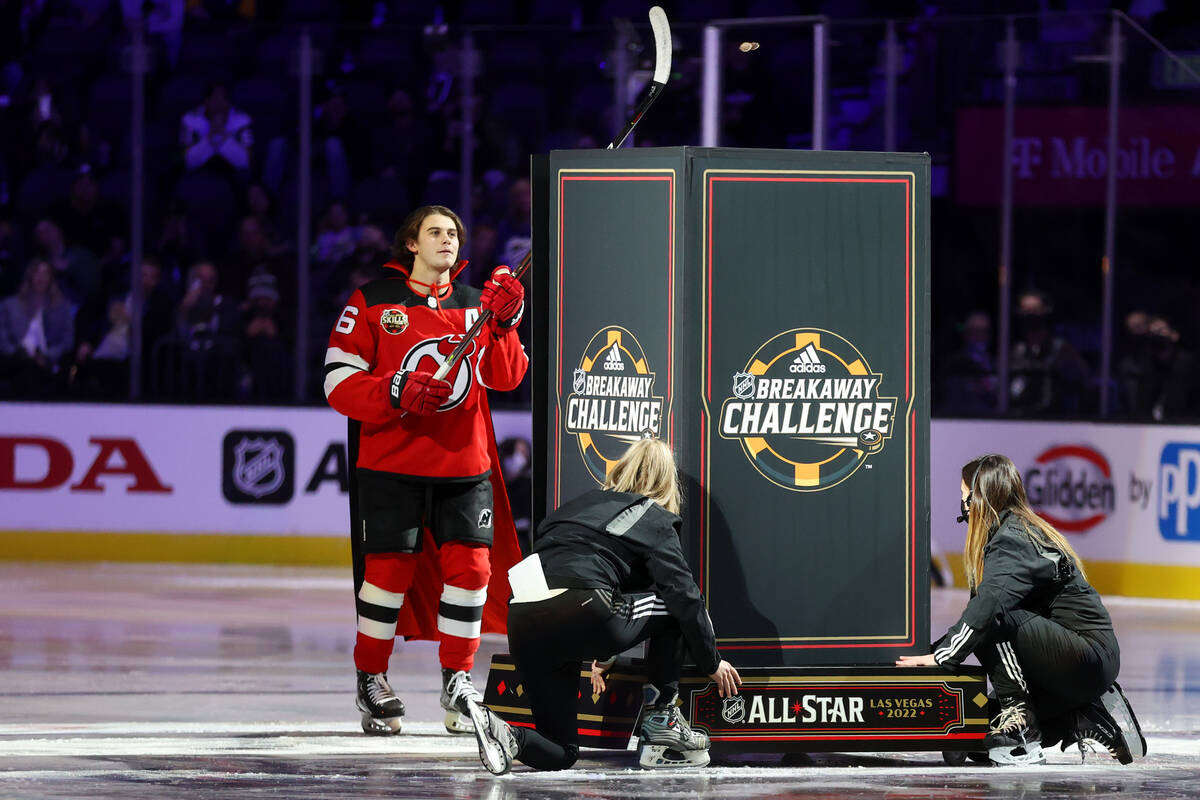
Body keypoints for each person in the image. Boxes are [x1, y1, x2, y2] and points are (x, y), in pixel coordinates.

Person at [323, 204, 528, 736]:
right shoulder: (371, 301)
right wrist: (393, 388)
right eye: (435, 232)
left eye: (454, 233)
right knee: (387, 576)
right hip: (391, 465)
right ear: (409, 243)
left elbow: (506, 379)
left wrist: (504, 325)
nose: (448, 240)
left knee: (474, 573)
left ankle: (458, 683)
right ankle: (371, 678)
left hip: (466, 465)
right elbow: (336, 383)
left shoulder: (475, 306)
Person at [469, 438, 743, 775]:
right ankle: (661, 718)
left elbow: (579, 570)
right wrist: (710, 661)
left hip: (524, 618)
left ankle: (510, 738)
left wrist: (604, 651)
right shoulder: (653, 516)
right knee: (675, 609)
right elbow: (684, 596)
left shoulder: (577, 506)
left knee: (562, 750)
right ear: (666, 482)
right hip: (585, 607)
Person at [897, 454, 1146, 766]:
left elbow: (986, 611)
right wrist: (935, 652)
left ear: (979, 498)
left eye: (964, 497)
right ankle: (1080, 717)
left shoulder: (1012, 539)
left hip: (1085, 656)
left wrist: (941, 658)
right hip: (1078, 660)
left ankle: (1022, 722)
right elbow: (982, 612)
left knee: (992, 617)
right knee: (976, 736)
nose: (962, 505)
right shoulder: (1013, 531)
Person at [1007, 290, 1090, 417]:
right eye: (1025, 310)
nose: (1030, 315)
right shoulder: (1016, 350)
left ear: (1046, 312)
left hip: (1054, 420)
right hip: (1017, 419)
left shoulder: (1062, 349)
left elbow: (1081, 384)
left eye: (1035, 310)